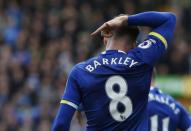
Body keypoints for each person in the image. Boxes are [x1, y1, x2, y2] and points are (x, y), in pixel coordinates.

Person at [52, 11, 176, 131]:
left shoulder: (80, 71)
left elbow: (61, 124)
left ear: (106, 36)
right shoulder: (142, 59)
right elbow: (169, 19)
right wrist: (127, 20)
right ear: (134, 45)